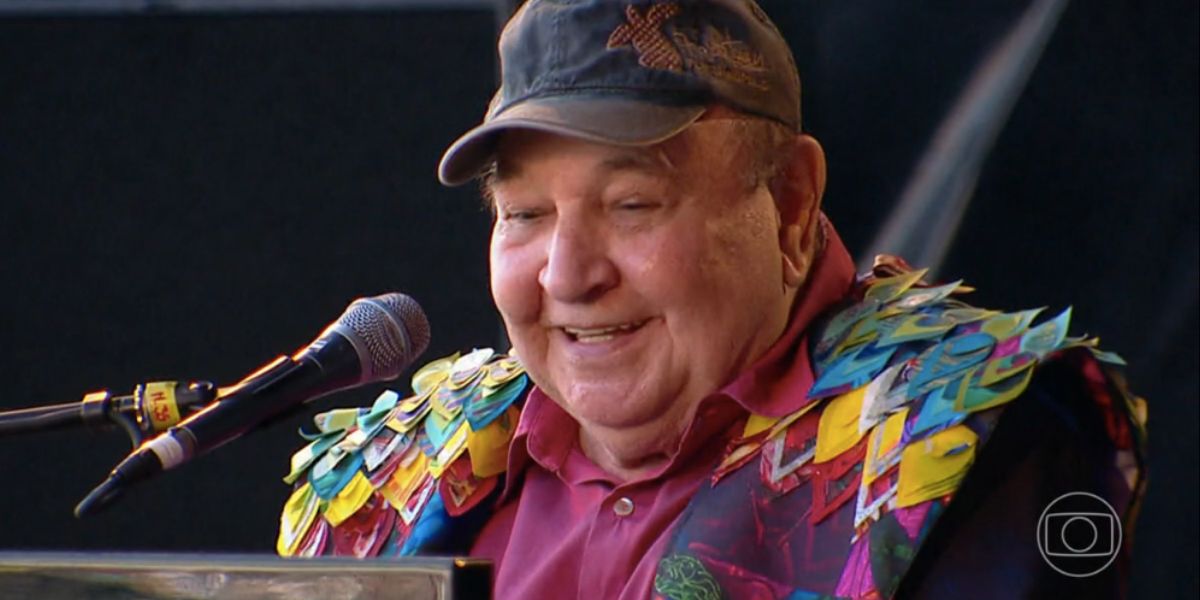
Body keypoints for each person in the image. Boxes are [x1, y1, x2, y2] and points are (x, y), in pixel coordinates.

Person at [275, 1, 1148, 598]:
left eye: (631, 206)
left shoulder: (962, 433)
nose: (568, 274)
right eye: (525, 214)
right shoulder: (403, 474)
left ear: (793, 204)